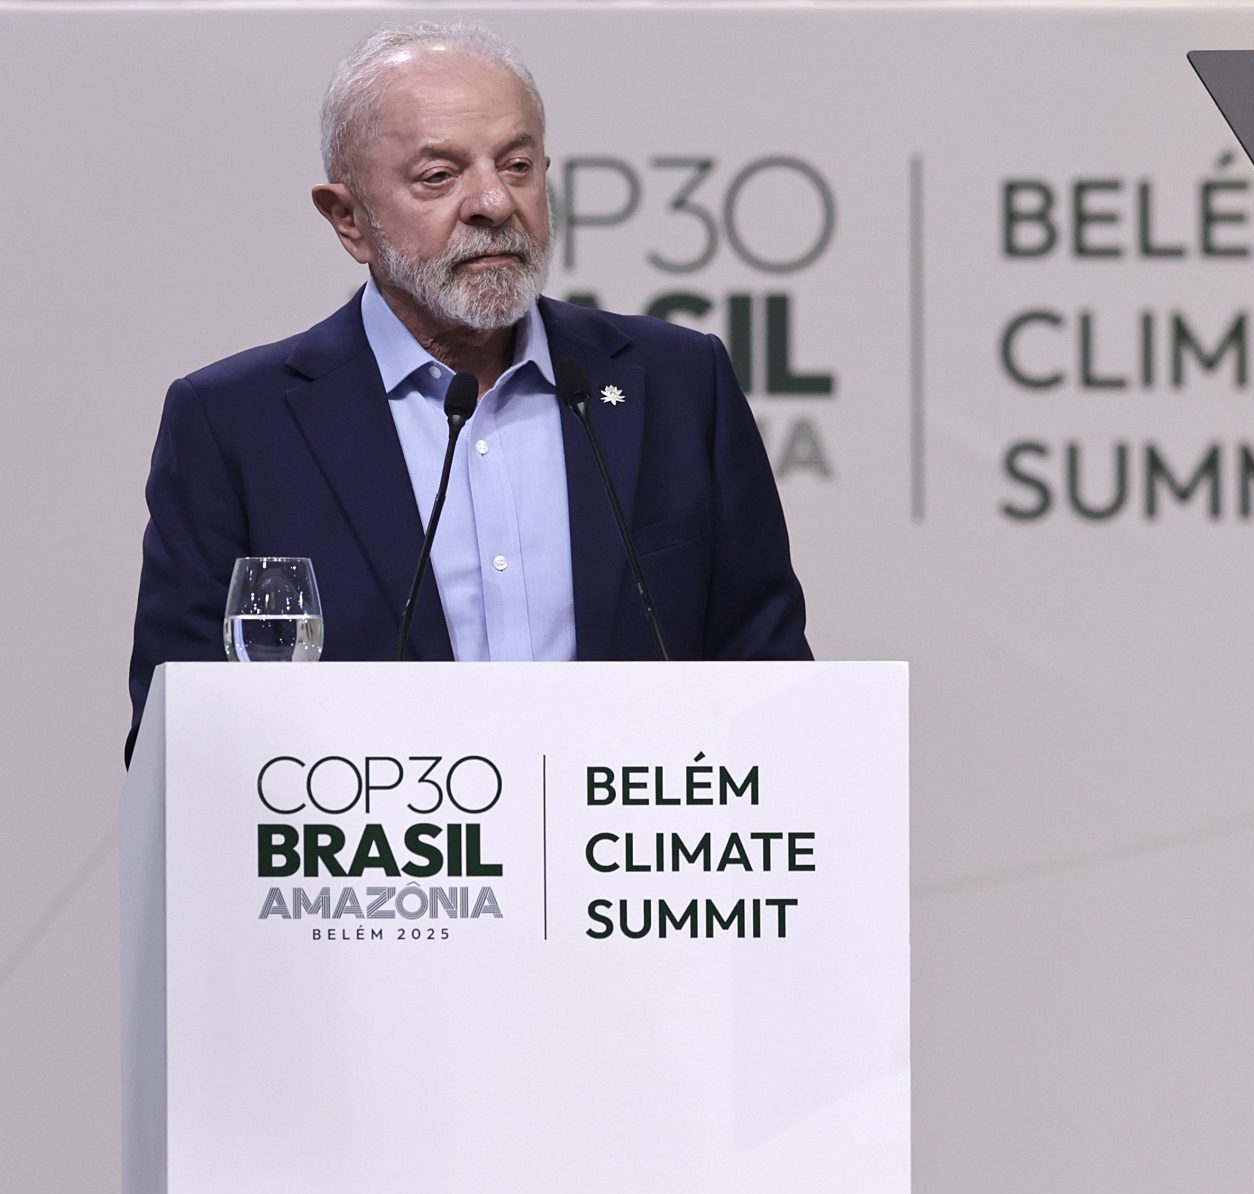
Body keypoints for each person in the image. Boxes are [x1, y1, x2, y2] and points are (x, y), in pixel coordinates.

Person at [127, 22, 810, 757]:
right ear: (348, 220)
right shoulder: (235, 426)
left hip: (626, 864)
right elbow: (182, 748)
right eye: (438, 176)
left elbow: (768, 684)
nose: (492, 201)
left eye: (516, 166)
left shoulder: (679, 386)